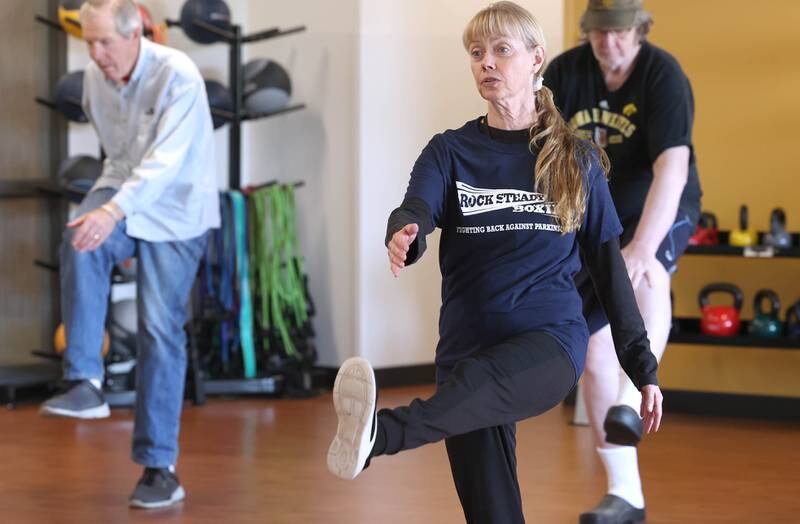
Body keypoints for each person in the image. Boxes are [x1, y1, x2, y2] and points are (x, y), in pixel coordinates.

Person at [326, 2, 663, 522]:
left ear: (535, 59)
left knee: (475, 386)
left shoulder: (574, 159)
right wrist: (405, 234)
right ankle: (378, 434)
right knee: (492, 513)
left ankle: (379, 434)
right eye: (477, 53)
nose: (486, 62)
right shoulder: (450, 151)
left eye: (501, 50)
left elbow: (608, 270)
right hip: (465, 349)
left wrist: (642, 368)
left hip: (547, 343)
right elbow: (417, 207)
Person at [39, 0, 220, 509]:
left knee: (159, 329)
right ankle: (84, 381)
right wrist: (100, 209)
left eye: (104, 43)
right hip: (127, 193)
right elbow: (118, 157)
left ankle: (160, 469)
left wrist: (111, 211)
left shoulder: (177, 76)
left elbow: (164, 164)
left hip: (178, 212)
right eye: (89, 43)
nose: (96, 54)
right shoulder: (96, 78)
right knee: (79, 236)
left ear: (136, 33)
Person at [543, 0, 701, 522]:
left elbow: (672, 171)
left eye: (619, 34)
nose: (608, 44)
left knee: (647, 276)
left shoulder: (663, 75)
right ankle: (625, 493)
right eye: (599, 33)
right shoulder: (565, 72)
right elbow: (546, 159)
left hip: (660, 205)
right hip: (596, 213)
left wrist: (639, 248)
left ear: (639, 31)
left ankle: (633, 396)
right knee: (591, 354)